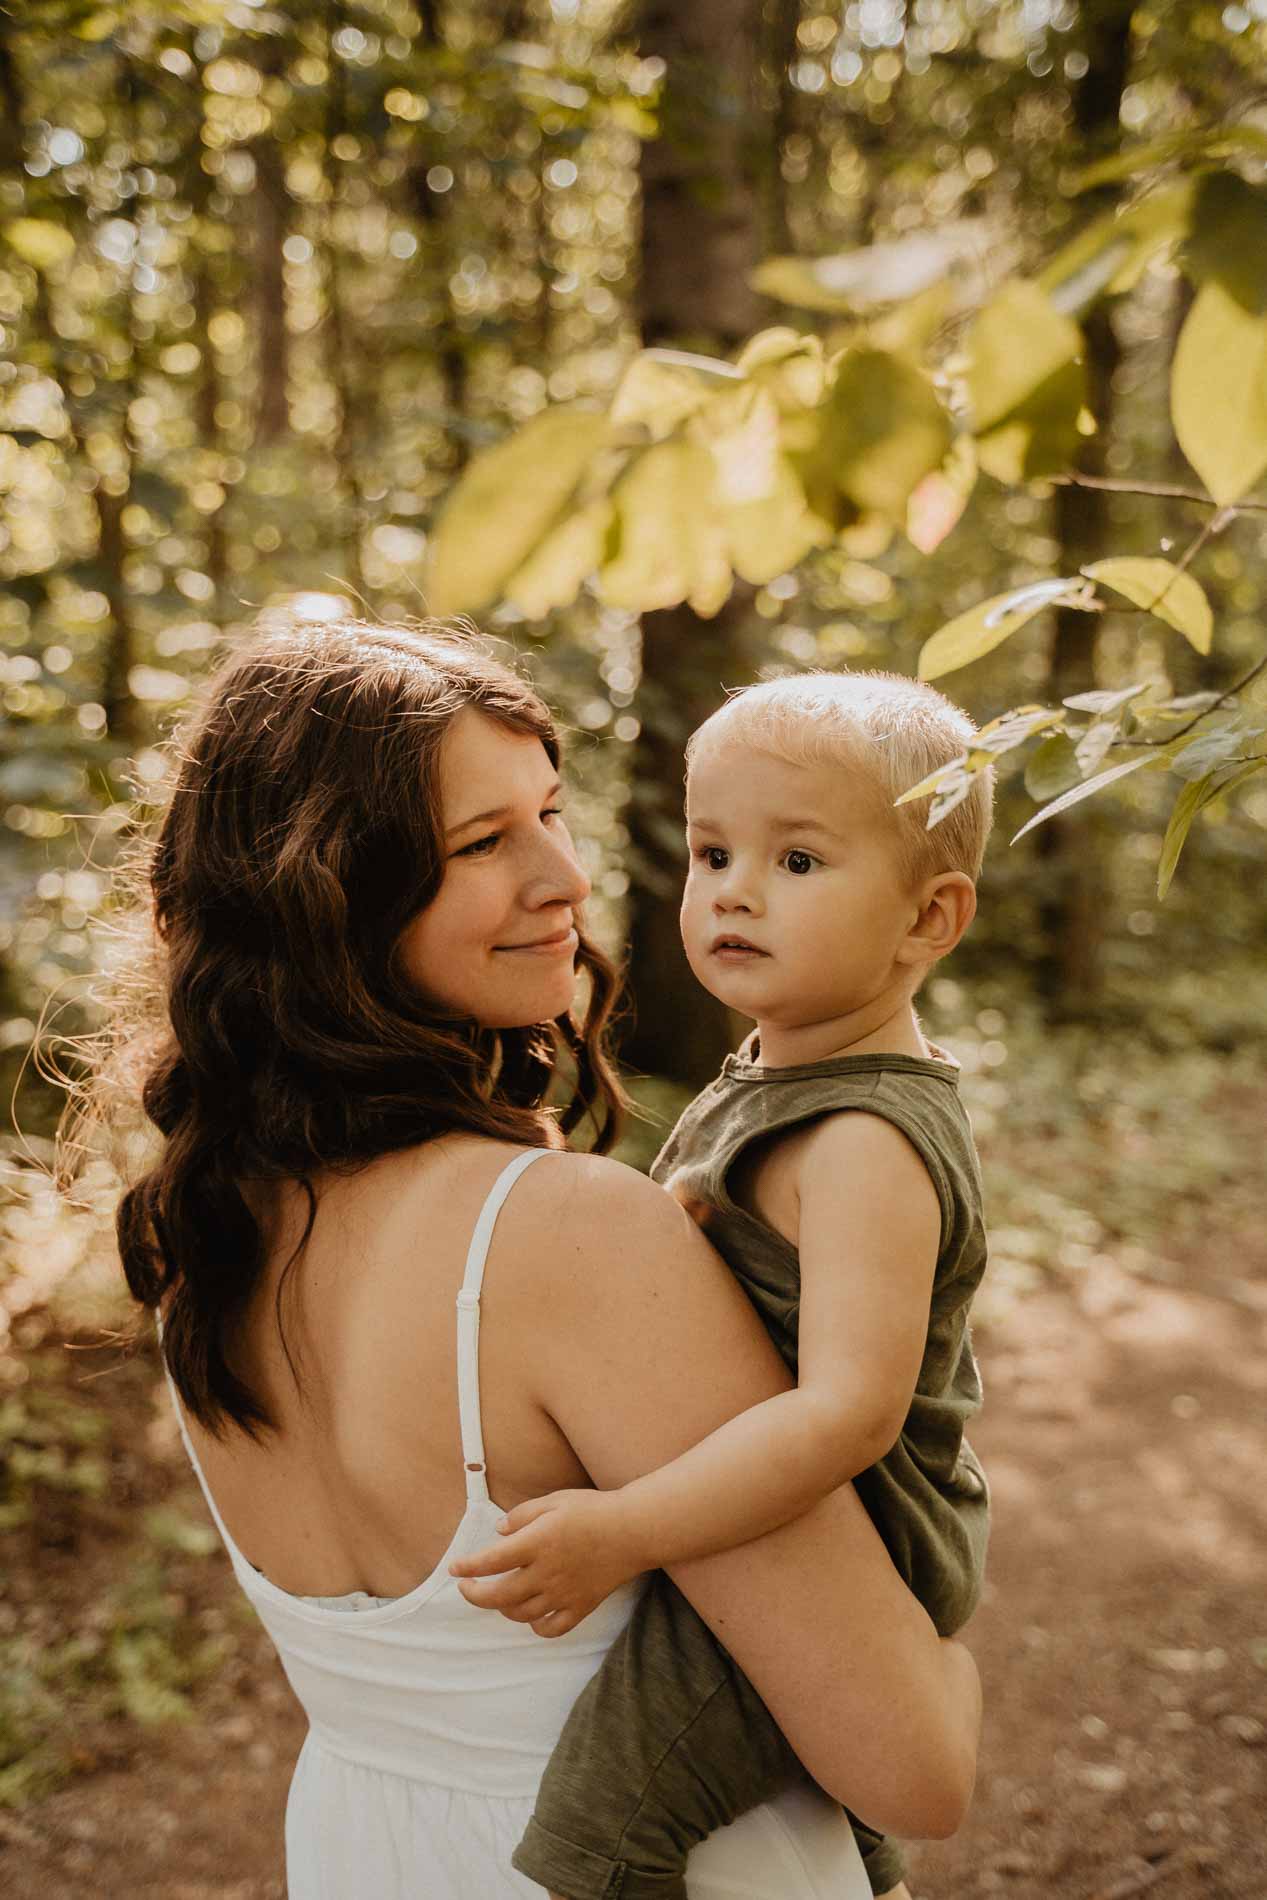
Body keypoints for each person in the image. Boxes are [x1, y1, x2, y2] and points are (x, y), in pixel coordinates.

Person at [85, 618, 981, 1900]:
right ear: (330, 895)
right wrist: (948, 1666)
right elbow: (915, 1769)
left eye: (549, 811)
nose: (563, 874)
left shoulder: (209, 1235)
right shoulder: (563, 1236)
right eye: (481, 842)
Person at [452, 670, 994, 1900]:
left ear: (928, 919)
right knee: (795, 1763)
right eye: (711, 851)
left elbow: (848, 1413)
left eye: (797, 862)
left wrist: (621, 1531)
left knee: (606, 1809)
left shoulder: (862, 1139)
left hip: (864, 1533)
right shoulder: (777, 1073)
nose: (734, 889)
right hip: (782, 1506)